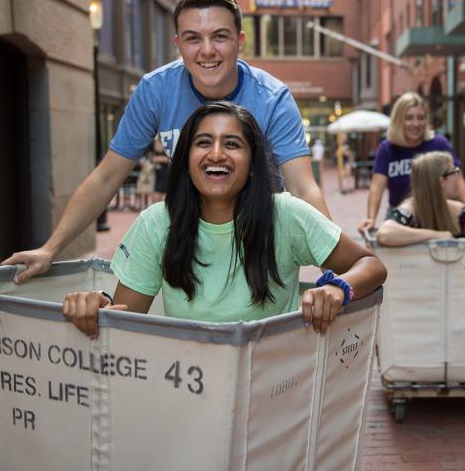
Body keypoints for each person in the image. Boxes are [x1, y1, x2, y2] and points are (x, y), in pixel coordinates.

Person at [4, 0, 329, 283]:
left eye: (219, 36)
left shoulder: (272, 97)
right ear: (178, 44)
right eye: (192, 38)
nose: (207, 51)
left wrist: (336, 269)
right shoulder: (155, 90)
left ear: (240, 41)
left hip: (260, 237)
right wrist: (51, 248)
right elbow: (107, 177)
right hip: (193, 238)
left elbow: (302, 185)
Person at [62, 102, 387, 337]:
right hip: (188, 393)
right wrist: (98, 306)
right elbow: (124, 321)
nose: (216, 153)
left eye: (232, 144)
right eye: (203, 142)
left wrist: (338, 287)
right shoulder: (156, 223)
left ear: (252, 161)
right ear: (186, 158)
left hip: (274, 390)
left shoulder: (287, 214)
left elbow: (371, 265)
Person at [358, 92, 465, 233]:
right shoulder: (387, 148)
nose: (416, 124)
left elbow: (457, 178)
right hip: (400, 217)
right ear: (398, 120)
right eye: (409, 118)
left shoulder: (438, 143)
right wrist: (371, 218)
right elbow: (377, 186)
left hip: (436, 216)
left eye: (421, 118)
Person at [376, 152, 465, 246]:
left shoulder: (461, 212)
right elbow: (385, 234)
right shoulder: (410, 210)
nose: (458, 177)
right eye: (455, 172)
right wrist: (437, 235)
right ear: (442, 181)